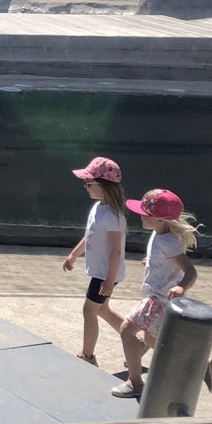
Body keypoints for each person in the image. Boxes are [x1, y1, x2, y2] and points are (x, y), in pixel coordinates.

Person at [111, 188, 201, 399]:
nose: (140, 215)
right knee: (154, 341)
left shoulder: (167, 242)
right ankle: (198, 365)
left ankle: (134, 382)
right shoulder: (159, 234)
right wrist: (152, 262)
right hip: (158, 297)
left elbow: (191, 271)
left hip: (159, 300)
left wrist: (181, 287)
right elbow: (165, 260)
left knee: (127, 330)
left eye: (145, 213)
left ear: (160, 219)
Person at [61, 156, 127, 366]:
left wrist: (108, 281)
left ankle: (87, 356)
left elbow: (116, 252)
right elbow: (90, 236)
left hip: (104, 274)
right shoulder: (98, 208)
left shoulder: (113, 216)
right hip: (101, 272)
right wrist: (74, 254)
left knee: (89, 310)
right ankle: (137, 340)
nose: (86, 186)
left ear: (104, 186)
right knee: (102, 310)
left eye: (89, 183)